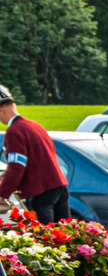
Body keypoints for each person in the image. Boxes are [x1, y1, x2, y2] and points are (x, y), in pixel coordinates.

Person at [1, 88, 70, 222]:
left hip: (40, 192)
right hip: (59, 186)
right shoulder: (34, 126)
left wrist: (2, 194)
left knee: (43, 233)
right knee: (64, 231)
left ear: (2, 109)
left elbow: (17, 166)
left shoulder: (14, 131)